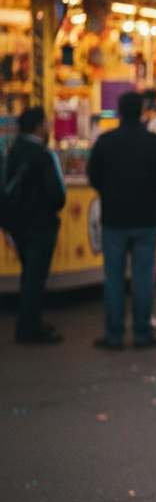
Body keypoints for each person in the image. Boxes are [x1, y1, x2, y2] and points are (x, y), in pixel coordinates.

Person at [88, 91, 156, 349]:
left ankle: (114, 334)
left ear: (118, 111)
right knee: (142, 277)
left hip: (114, 219)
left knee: (114, 279)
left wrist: (108, 193)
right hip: (146, 219)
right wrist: (155, 198)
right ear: (142, 111)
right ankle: (142, 333)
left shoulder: (106, 142)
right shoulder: (155, 143)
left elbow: (93, 175)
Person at [5, 107, 66, 344]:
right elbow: (56, 194)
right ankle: (29, 329)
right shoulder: (43, 155)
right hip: (41, 224)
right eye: (46, 123)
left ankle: (30, 322)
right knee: (35, 278)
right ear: (39, 126)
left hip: (17, 224)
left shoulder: (12, 152)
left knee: (28, 275)